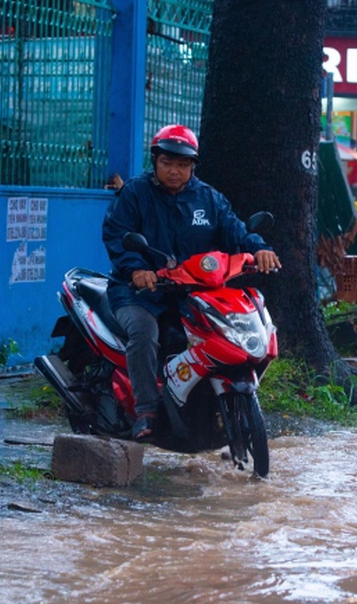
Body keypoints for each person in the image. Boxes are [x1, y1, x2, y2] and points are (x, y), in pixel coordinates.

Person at [102, 124, 281, 441]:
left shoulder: (209, 199)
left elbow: (236, 232)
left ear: (192, 166)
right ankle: (146, 409)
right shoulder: (134, 194)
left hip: (194, 293)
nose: (175, 171)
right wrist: (137, 270)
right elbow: (117, 235)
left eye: (183, 165)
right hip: (141, 293)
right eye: (168, 163)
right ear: (155, 160)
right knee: (145, 333)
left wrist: (260, 249)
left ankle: (204, 403)